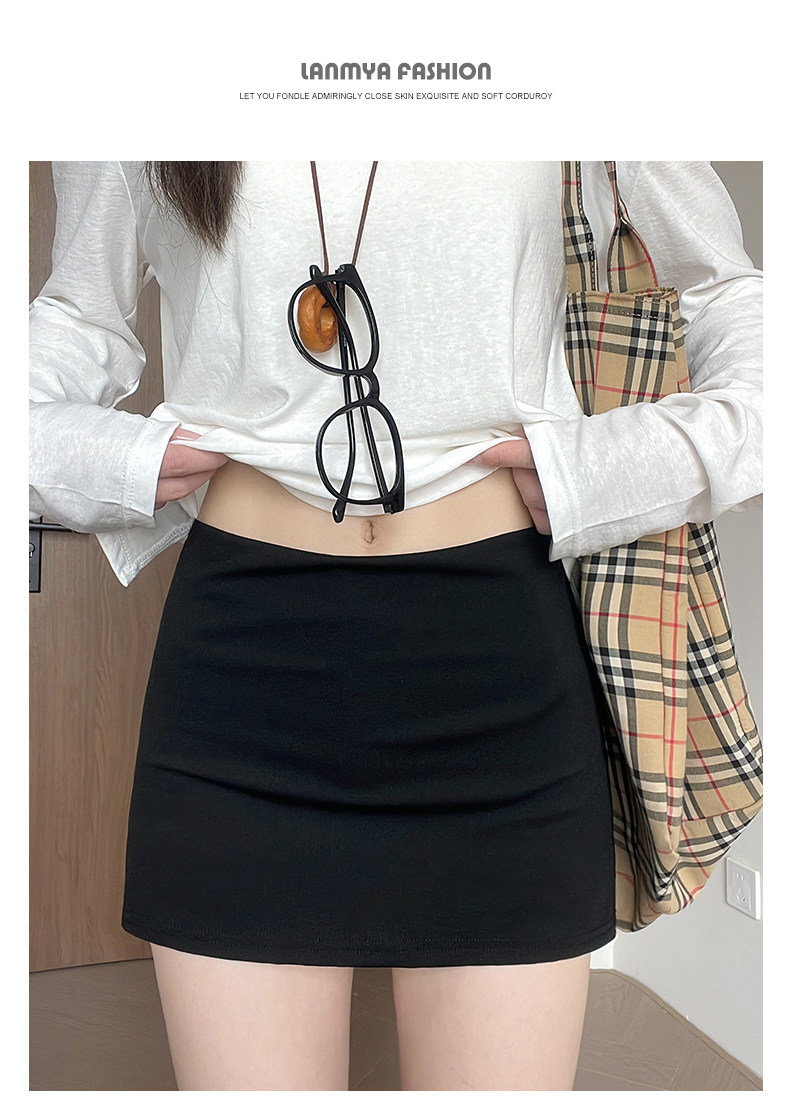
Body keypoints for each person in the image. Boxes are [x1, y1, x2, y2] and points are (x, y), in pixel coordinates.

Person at [29, 161, 762, 1091]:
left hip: (501, 676)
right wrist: (107, 458)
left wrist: (626, 465)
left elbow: (728, 291)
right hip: (241, 682)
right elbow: (77, 317)